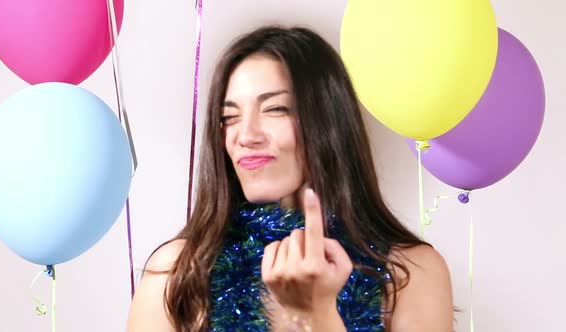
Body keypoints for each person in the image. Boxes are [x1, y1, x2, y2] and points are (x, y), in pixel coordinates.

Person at [127, 25, 453, 332]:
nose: (245, 135)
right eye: (229, 117)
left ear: (327, 121)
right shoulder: (179, 270)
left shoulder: (410, 271)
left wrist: (317, 314)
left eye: (276, 109)